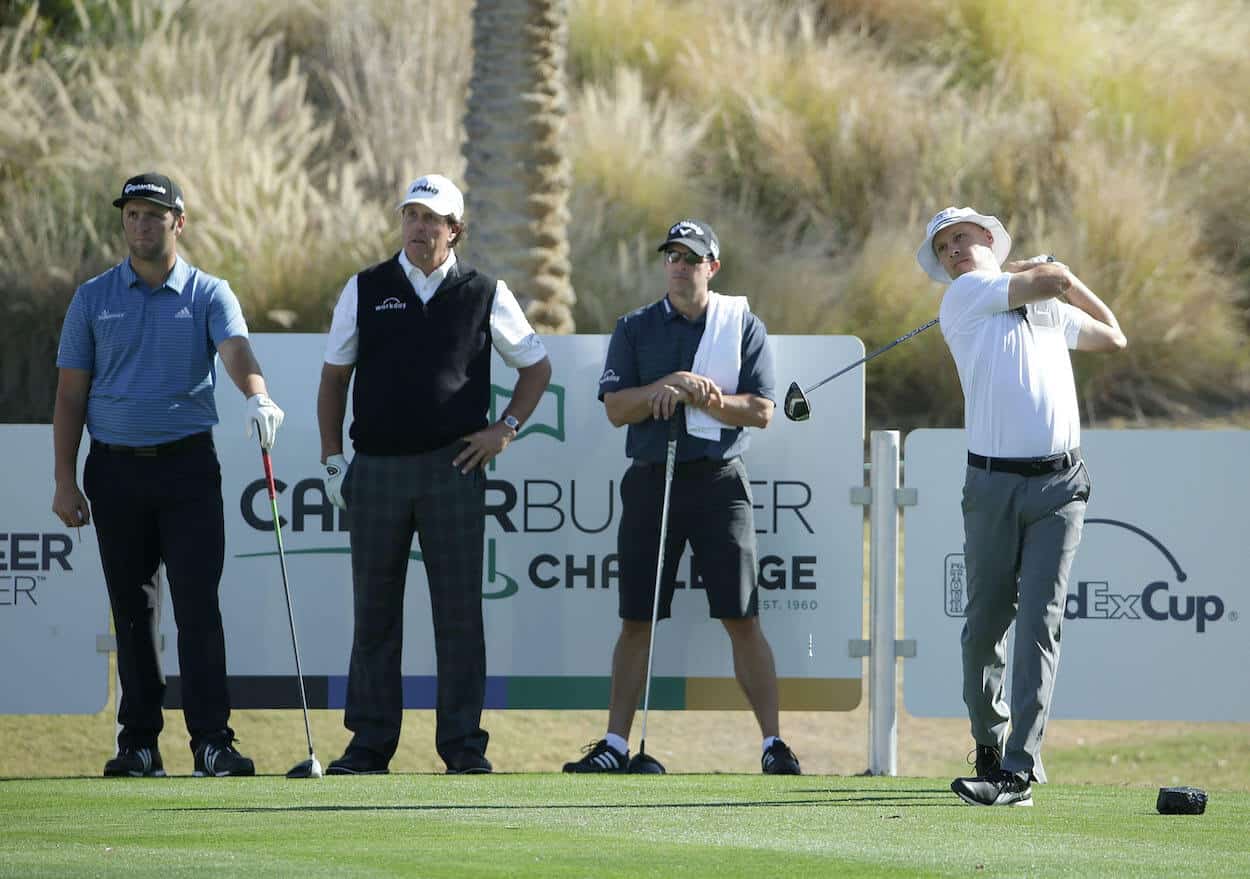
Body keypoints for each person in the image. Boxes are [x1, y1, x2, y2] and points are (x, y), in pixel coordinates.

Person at [52, 172, 285, 778]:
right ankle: (139, 744)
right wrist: (64, 479)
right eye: (131, 213)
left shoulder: (209, 293)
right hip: (114, 471)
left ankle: (211, 742)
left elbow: (237, 352)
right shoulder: (93, 298)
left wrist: (257, 397)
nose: (141, 224)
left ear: (178, 224)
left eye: (154, 215)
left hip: (186, 469)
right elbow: (71, 396)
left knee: (198, 607)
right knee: (132, 612)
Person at [317, 173, 552, 775]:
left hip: (453, 468)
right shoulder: (367, 287)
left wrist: (505, 429)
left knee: (458, 615)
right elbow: (334, 378)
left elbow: (535, 368)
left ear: (455, 230)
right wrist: (331, 458)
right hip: (376, 469)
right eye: (411, 216)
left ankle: (463, 746)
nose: (419, 228)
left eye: (432, 219)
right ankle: (369, 744)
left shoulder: (485, 292)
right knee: (374, 612)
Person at [563, 219, 801, 775]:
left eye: (691, 258)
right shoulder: (635, 326)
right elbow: (618, 406)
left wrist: (701, 396)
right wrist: (664, 386)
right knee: (636, 619)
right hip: (652, 478)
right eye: (672, 255)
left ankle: (773, 745)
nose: (679, 265)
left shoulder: (739, 324)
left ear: (712, 267)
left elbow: (761, 410)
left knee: (742, 617)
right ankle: (615, 745)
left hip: (719, 481)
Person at [916, 206, 1127, 806]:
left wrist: (1067, 278)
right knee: (986, 624)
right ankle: (989, 740)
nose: (953, 251)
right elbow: (1051, 281)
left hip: (1061, 485)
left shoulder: (1044, 307)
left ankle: (1018, 768)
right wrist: (1050, 269)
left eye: (962, 239)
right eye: (943, 248)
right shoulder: (965, 296)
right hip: (991, 487)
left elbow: (1114, 336)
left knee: (1041, 621)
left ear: (988, 238)